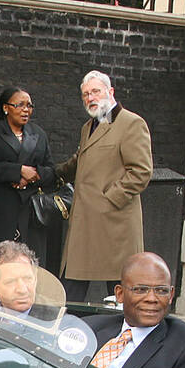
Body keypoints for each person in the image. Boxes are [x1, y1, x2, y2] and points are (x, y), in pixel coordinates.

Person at [56, 71, 154, 303]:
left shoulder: (131, 123)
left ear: (110, 92)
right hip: (85, 223)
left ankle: (128, 337)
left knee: (121, 291)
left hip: (114, 223)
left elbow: (141, 171)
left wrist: (108, 199)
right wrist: (50, 174)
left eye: (96, 91)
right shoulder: (88, 126)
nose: (90, 98)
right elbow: (79, 162)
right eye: (85, 94)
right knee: (71, 291)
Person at [0, 87, 57, 281]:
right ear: (6, 108)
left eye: (29, 105)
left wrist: (32, 175)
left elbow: (51, 170)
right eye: (20, 105)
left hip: (27, 211)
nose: (25, 109)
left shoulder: (39, 134)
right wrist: (16, 172)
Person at [85, 252, 185, 368]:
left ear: (171, 295)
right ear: (120, 294)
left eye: (161, 291)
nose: (152, 298)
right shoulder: (90, 328)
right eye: (141, 290)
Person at [0, 240, 39, 313]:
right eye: (11, 281)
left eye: (27, 279)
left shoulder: (54, 320)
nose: (22, 290)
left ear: (35, 280)